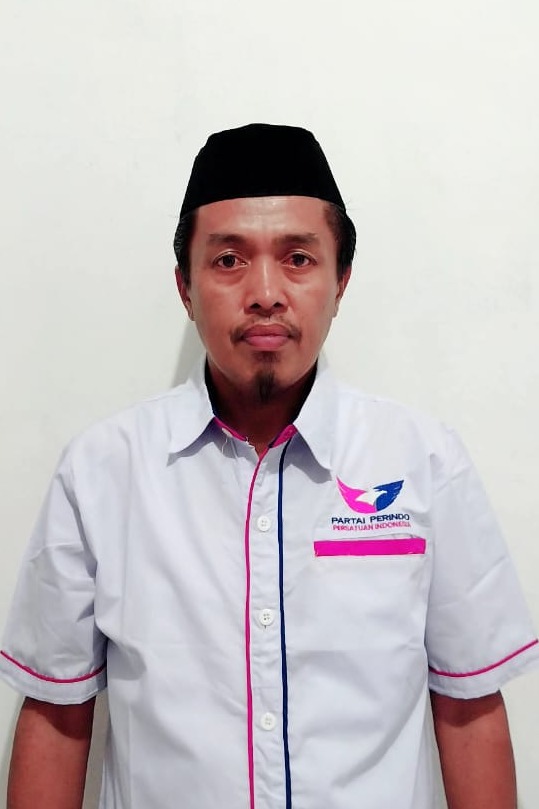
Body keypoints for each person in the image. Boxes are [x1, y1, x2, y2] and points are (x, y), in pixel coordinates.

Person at [1, 123, 538, 809]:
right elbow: (56, 713)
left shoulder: (424, 462)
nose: (264, 292)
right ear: (185, 286)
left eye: (298, 258)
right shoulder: (103, 471)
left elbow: (467, 706)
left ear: (340, 280)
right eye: (228, 260)